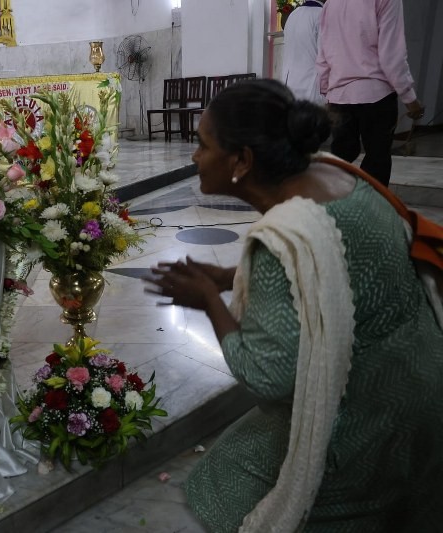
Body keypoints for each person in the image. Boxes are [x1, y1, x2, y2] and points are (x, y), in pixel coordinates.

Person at [144, 79, 443, 532]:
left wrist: (208, 300)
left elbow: (267, 377)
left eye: (203, 145)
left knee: (227, 480)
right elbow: (327, 269)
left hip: (372, 415)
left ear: (242, 160)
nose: (194, 157)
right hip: (423, 374)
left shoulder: (285, 235)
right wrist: (227, 278)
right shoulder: (336, 174)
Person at [316, 0, 424, 186]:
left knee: (341, 157)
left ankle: (332, 200)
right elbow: (391, 54)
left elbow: (323, 55)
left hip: (339, 96)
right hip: (376, 95)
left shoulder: (331, 3)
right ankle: (371, 203)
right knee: (376, 160)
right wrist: (409, 97)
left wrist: (327, 91)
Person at [282, 0, 325, 104]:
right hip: (311, 86)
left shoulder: (293, 14)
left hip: (289, 83)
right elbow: (325, 55)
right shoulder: (322, 15)